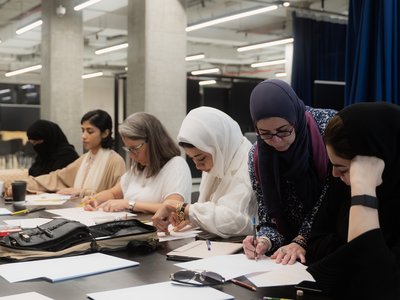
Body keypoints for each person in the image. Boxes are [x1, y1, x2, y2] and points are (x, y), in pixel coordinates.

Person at [304, 102, 400, 298]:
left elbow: (376, 285)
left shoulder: (357, 182)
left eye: (344, 168)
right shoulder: (340, 181)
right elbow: (315, 244)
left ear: (376, 162)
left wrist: (363, 186)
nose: (334, 173)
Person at [242, 79, 336, 264]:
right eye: (266, 134)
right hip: (289, 255)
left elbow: (333, 198)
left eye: (283, 131)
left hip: (332, 244)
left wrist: (302, 239)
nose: (276, 141)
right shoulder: (258, 155)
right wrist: (265, 240)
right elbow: (269, 217)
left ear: (295, 119)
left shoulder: (328, 130)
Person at [152, 106, 257, 238]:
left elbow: (235, 221)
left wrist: (182, 208)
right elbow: (209, 209)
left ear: (219, 146)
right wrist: (188, 216)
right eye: (193, 159)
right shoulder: (220, 159)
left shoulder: (249, 162)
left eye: (201, 159)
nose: (198, 166)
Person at [83, 112, 192, 214]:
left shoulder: (176, 165)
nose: (131, 155)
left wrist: (129, 204)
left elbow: (173, 207)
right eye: (128, 149)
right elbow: (113, 193)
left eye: (134, 148)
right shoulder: (139, 167)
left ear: (153, 142)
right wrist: (96, 199)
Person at [24, 110, 125, 196]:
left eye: (90, 132)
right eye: (83, 131)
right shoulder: (84, 159)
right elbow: (57, 178)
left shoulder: (115, 161)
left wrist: (82, 192)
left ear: (105, 133)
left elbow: (118, 194)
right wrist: (25, 185)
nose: (84, 136)